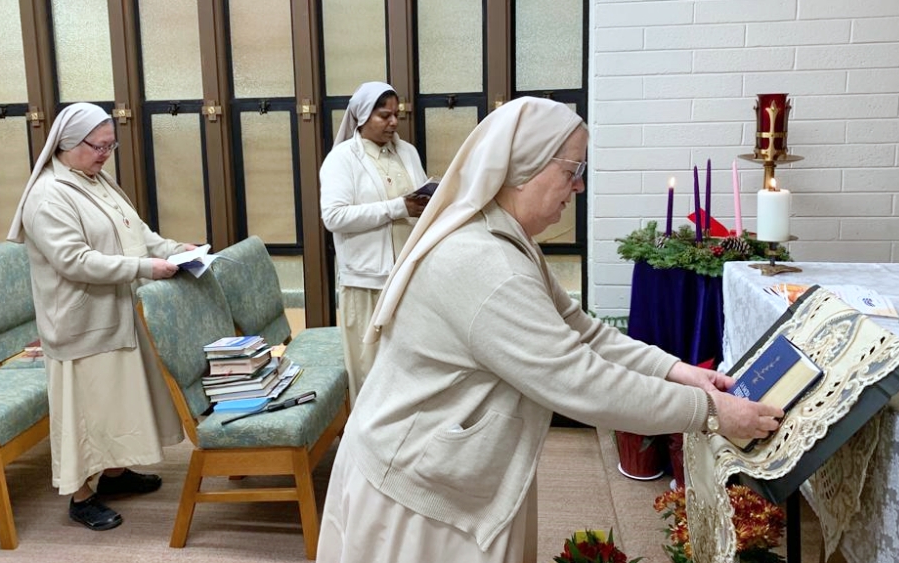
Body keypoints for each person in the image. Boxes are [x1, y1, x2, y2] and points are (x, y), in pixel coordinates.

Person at [315, 97, 784, 563]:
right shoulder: (486, 264)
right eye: (572, 170)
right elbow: (582, 382)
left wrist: (677, 371)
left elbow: (581, 330)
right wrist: (711, 411)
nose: (579, 185)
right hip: (417, 493)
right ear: (525, 168)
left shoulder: (504, 233)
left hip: (453, 465)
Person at [7, 103, 191, 531]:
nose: (106, 154)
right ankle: (80, 496)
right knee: (84, 414)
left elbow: (135, 231)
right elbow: (74, 260)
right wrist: (145, 268)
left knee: (115, 403)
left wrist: (173, 249)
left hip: (114, 309)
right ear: (69, 144)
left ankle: (114, 473)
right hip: (79, 321)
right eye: (99, 146)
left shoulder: (96, 178)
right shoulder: (49, 195)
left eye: (111, 146)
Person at [320, 81, 430, 404]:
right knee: (371, 375)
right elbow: (334, 217)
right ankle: (367, 437)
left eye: (397, 114)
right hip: (366, 284)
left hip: (408, 280)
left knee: (411, 373)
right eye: (384, 116)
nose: (393, 122)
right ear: (363, 116)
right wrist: (398, 207)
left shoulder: (407, 152)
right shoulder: (342, 159)